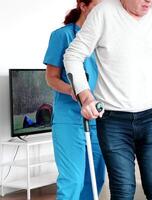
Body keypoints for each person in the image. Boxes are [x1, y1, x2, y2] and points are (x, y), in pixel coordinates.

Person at [63, 0, 152, 199]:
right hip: (112, 120)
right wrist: (85, 96)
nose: (149, 1)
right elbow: (73, 56)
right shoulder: (103, 13)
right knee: (123, 190)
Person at [43, 0, 105, 199]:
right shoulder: (62, 36)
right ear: (83, 6)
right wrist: (71, 89)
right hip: (69, 119)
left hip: (100, 117)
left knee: (95, 179)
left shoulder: (104, 37)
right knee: (73, 181)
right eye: (97, 6)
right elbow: (51, 78)